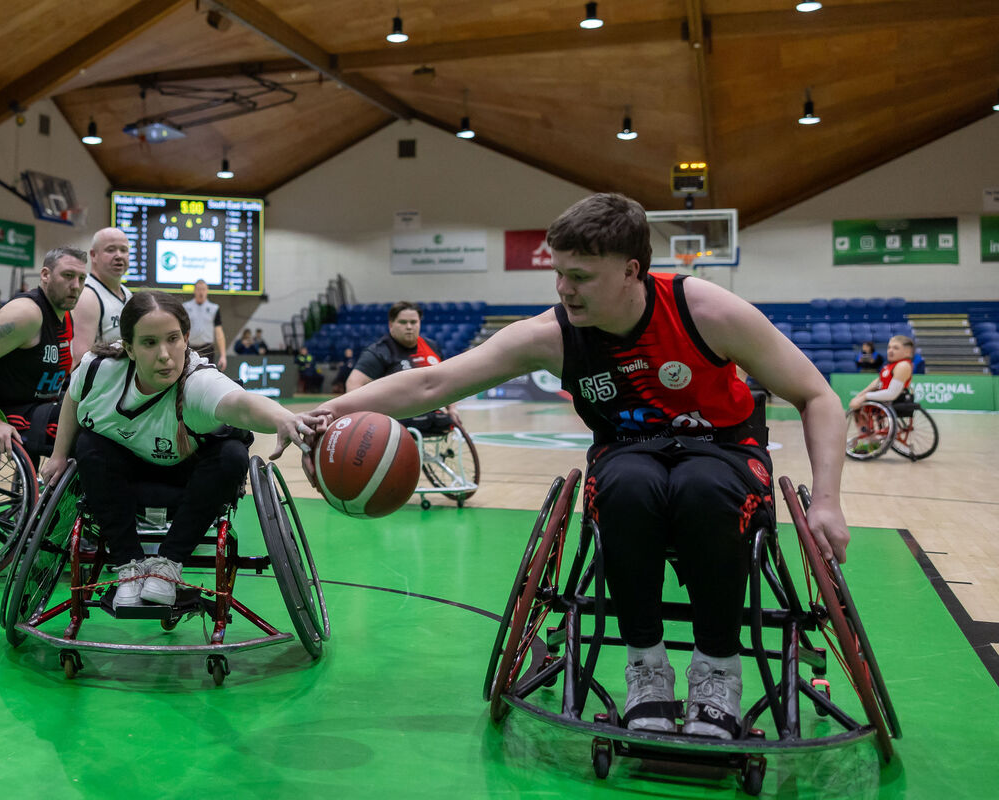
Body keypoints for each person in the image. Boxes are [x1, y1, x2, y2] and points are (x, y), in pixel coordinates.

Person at [308, 192, 850, 740]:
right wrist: (322, 414)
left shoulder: (705, 310)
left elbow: (818, 397)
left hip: (723, 449)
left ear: (631, 271)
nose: (564, 289)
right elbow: (432, 383)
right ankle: (647, 671)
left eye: (581, 276)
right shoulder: (554, 333)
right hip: (628, 452)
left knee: (702, 488)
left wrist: (827, 501)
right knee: (628, 487)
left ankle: (717, 673)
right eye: (559, 273)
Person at [40, 291, 323, 608]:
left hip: (188, 476)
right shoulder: (99, 369)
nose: (164, 355)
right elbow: (74, 397)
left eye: (173, 339)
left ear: (186, 338)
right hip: (124, 474)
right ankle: (128, 565)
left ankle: (169, 564)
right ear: (129, 348)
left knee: (232, 455)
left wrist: (284, 418)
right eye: (149, 343)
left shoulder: (198, 382)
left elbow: (242, 405)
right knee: (88, 444)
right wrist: (59, 455)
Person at [0, 247, 85, 456]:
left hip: (34, 407)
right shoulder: (27, 314)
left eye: (82, 278)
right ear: (45, 275)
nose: (76, 286)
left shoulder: (65, 317)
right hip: (0, 409)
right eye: (68, 275)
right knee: (85, 432)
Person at [348, 300, 459, 431]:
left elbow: (445, 381)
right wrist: (368, 417)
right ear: (391, 324)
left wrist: (452, 408)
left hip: (434, 415)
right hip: (399, 419)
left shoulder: (432, 346)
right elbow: (353, 384)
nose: (409, 327)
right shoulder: (379, 352)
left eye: (413, 322)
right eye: (403, 322)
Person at [72, 227, 133, 361]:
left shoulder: (127, 294)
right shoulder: (87, 295)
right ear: (93, 255)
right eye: (110, 250)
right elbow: (79, 358)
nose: (119, 256)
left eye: (123, 250)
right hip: (100, 375)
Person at [848, 335, 914, 415]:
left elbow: (892, 394)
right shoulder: (890, 366)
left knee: (859, 406)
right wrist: (859, 395)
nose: (890, 351)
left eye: (896, 348)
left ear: (907, 352)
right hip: (883, 399)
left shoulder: (903, 365)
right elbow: (877, 382)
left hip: (892, 400)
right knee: (857, 406)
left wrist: (864, 397)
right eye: (889, 347)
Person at [182, 280, 226, 370]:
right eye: (199, 289)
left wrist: (223, 355)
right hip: (191, 348)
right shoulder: (186, 307)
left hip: (207, 349)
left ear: (207, 291)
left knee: (207, 374)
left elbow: (219, 332)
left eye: (203, 289)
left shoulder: (214, 308)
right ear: (194, 291)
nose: (201, 292)